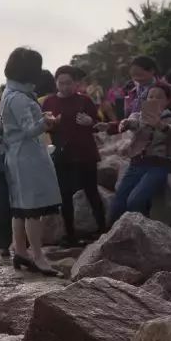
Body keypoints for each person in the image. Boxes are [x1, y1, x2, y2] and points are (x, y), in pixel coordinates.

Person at [0, 47, 63, 277]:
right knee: (33, 209)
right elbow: (29, 129)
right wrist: (47, 121)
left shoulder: (9, 92)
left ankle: (21, 251)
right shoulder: (19, 97)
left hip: (15, 154)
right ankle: (37, 256)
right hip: (27, 156)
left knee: (20, 208)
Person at [42, 65, 107, 244]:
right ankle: (70, 234)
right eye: (61, 83)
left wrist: (90, 121)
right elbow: (44, 126)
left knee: (91, 192)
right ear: (56, 83)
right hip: (62, 155)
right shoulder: (49, 102)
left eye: (69, 83)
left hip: (85, 153)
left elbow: (98, 123)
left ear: (75, 83)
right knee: (64, 195)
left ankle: (103, 229)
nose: (65, 87)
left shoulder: (85, 101)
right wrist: (51, 124)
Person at [103, 84, 171, 223]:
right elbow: (133, 123)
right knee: (117, 205)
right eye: (150, 96)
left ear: (167, 101)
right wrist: (126, 123)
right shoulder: (138, 116)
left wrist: (158, 124)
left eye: (159, 97)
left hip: (159, 165)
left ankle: (143, 233)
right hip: (136, 164)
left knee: (135, 200)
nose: (154, 100)